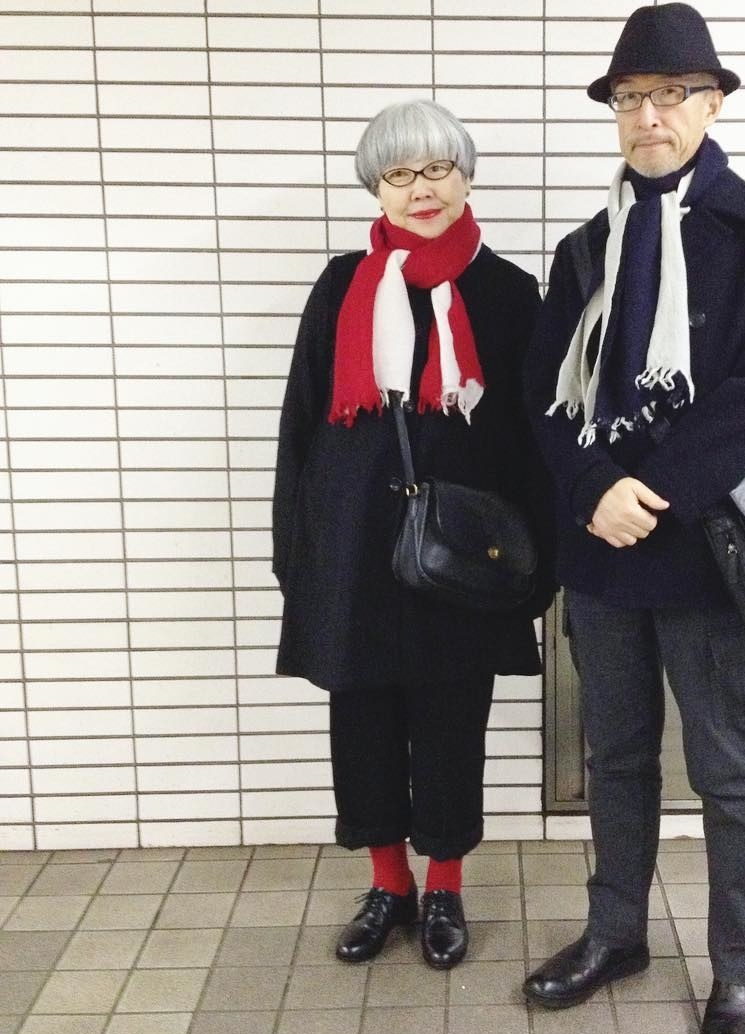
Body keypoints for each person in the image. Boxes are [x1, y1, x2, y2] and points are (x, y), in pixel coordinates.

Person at [520, 3, 745, 1034]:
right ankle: (615, 933)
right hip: (601, 550)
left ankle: (742, 967)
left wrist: (652, 488)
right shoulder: (584, 246)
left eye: (672, 94)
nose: (649, 115)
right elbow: (543, 397)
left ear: (714, 103)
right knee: (617, 755)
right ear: (614, 113)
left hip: (706, 546)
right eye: (631, 98)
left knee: (727, 760)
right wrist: (597, 488)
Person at [273, 99, 553, 971]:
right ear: (377, 189)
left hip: (460, 559)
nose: (420, 189)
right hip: (353, 548)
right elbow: (302, 428)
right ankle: (388, 885)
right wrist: (298, 556)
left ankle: (445, 889)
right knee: (360, 720)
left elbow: (530, 437)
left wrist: (530, 564)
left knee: (449, 723)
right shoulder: (339, 286)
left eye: (437, 168)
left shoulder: (508, 294)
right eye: (399, 173)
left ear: (466, 175)